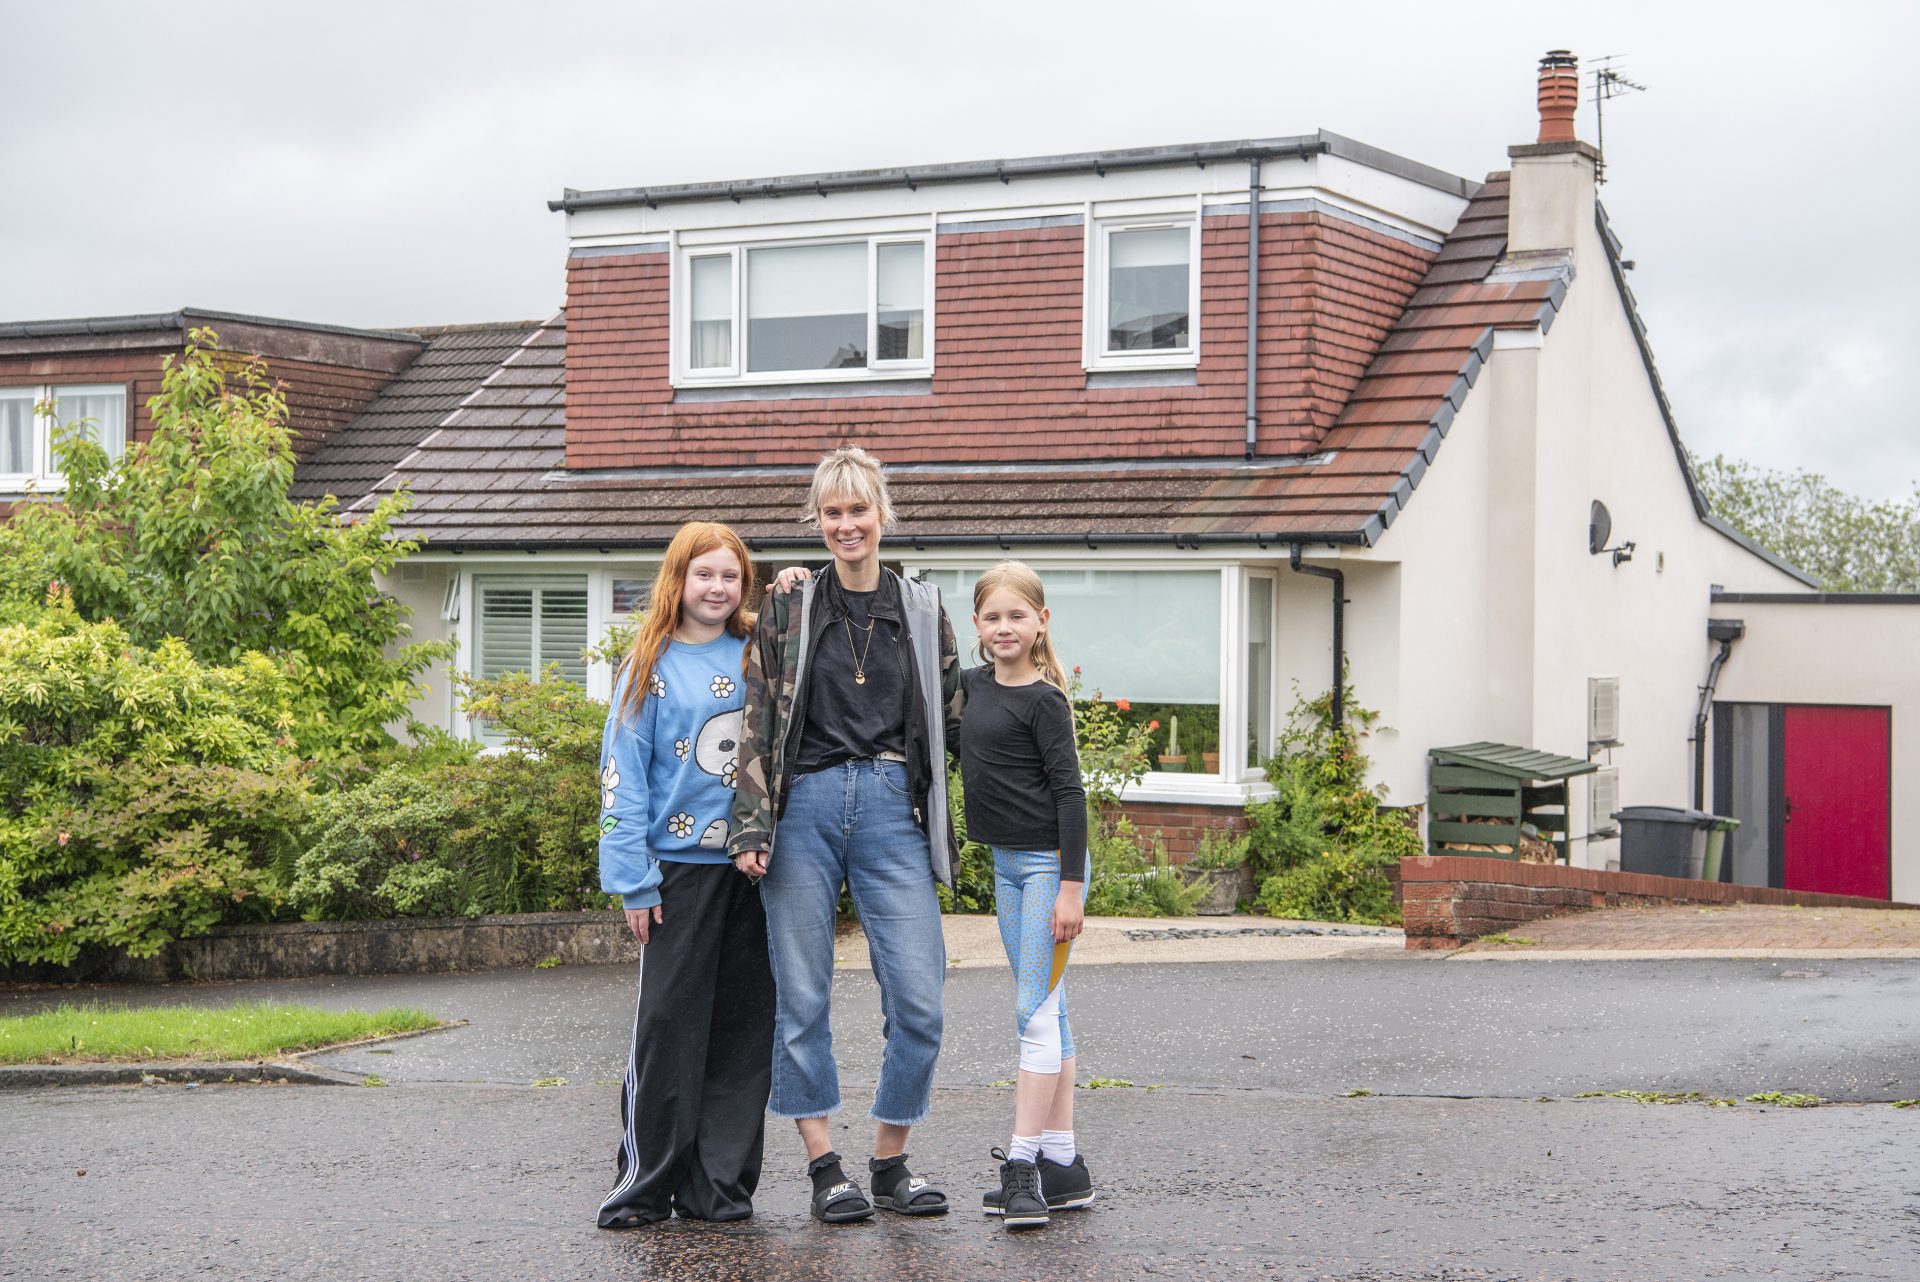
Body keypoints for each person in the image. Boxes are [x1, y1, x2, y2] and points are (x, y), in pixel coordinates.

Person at [729, 445, 962, 1224]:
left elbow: (957, 718)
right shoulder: (789, 606)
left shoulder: (923, 609)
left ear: (883, 514)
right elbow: (757, 717)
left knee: (920, 1000)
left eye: (858, 509)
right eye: (832, 512)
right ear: (818, 520)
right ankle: (824, 1165)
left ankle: (890, 1162)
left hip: (895, 808)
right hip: (804, 808)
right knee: (803, 996)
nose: (846, 524)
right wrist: (750, 823)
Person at [595, 521, 775, 1230]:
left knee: (742, 1033)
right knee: (669, 1029)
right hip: (675, 874)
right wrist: (632, 881)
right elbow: (622, 776)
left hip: (753, 872)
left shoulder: (760, 651)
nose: (717, 587)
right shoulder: (650, 663)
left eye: (730, 575)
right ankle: (643, 1186)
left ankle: (716, 1188)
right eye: (705, 574)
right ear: (679, 579)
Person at [959, 561, 1096, 1231]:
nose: (1004, 627)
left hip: (1049, 868)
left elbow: (1071, 794)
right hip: (1005, 864)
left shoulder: (1045, 701)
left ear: (1041, 622)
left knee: (1032, 1012)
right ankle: (1063, 1166)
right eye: (992, 617)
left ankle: (1022, 1165)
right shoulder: (972, 688)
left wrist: (1070, 889)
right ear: (977, 625)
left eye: (1017, 615)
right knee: (1051, 1010)